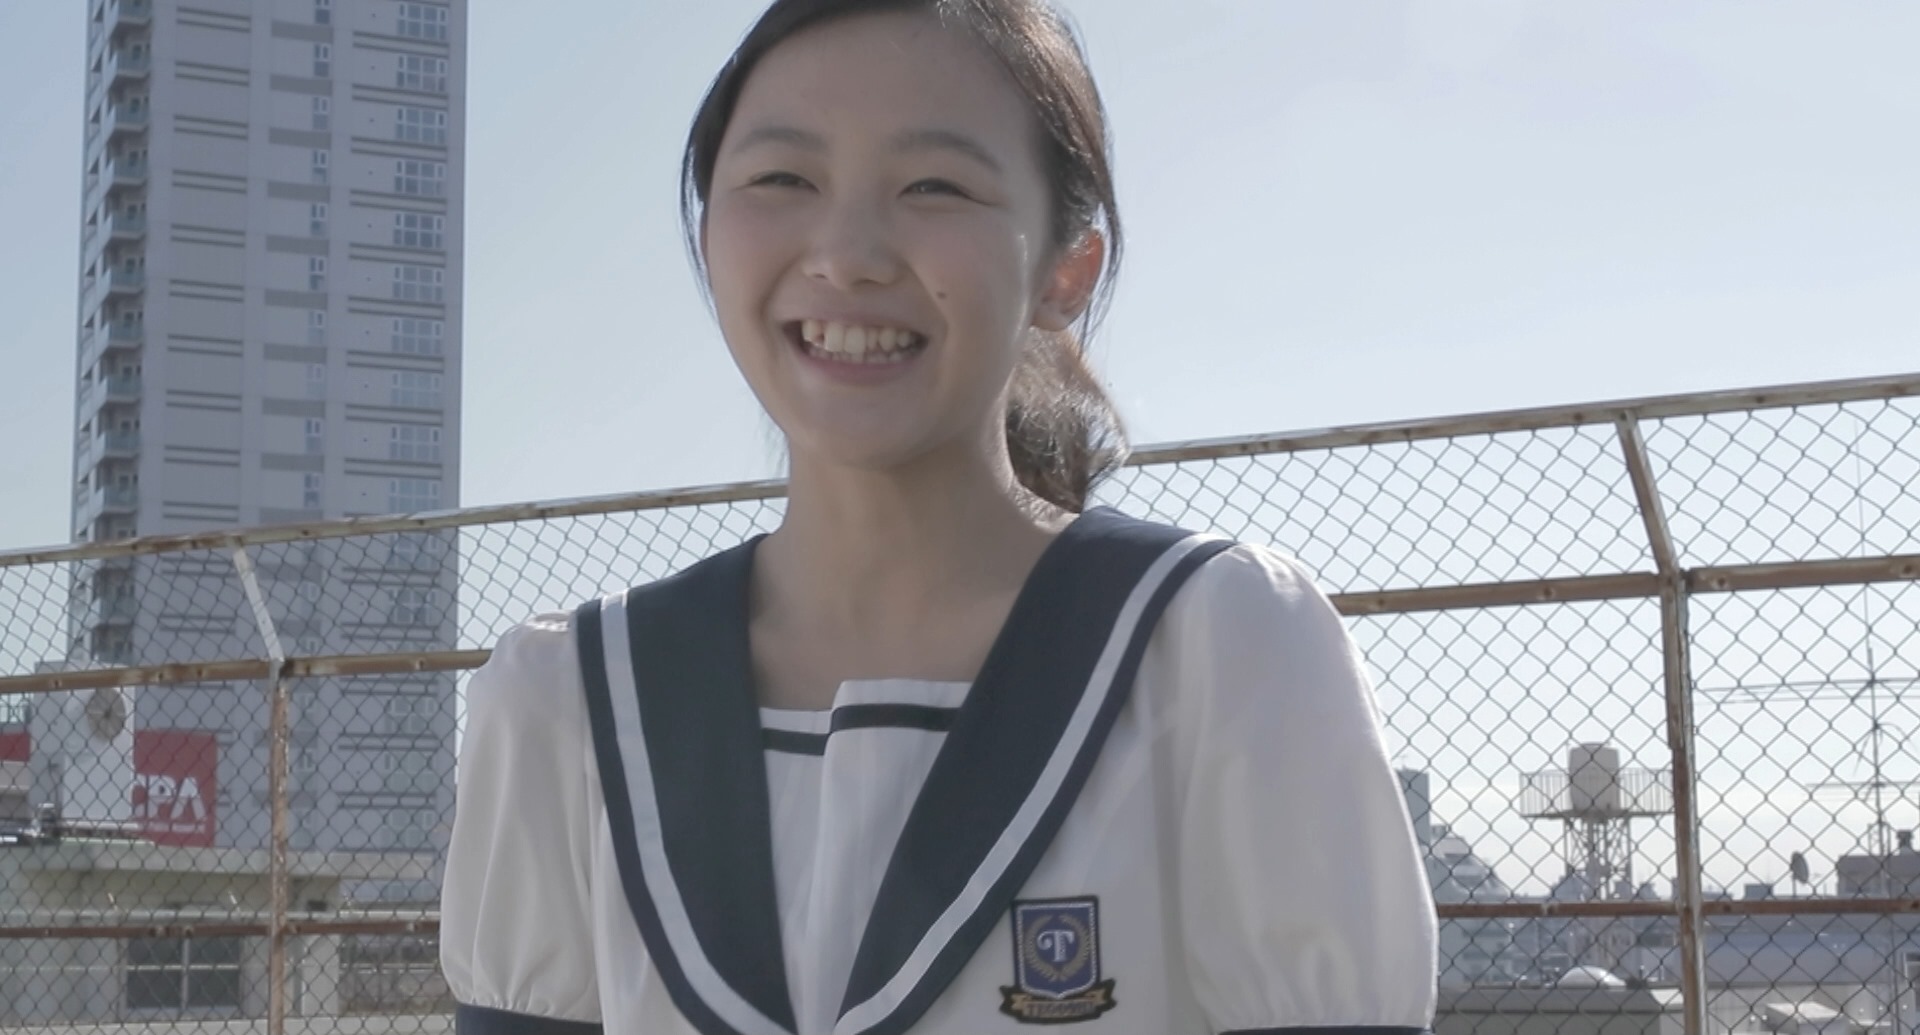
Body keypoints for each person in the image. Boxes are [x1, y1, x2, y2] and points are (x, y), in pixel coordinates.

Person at [440, 0, 1439, 1032]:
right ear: (708, 232)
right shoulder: (565, 699)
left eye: (935, 186)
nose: (847, 255)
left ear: (1066, 271)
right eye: (782, 178)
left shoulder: (1218, 649)